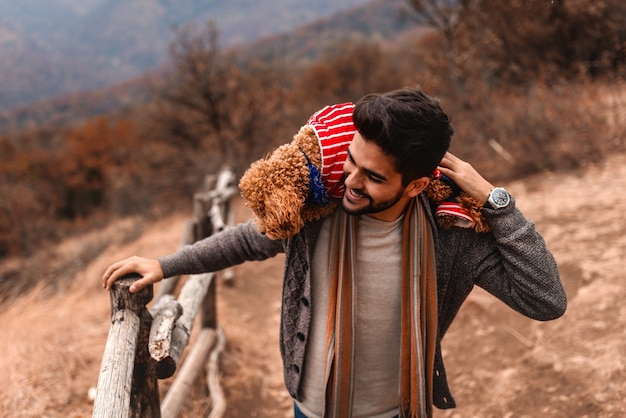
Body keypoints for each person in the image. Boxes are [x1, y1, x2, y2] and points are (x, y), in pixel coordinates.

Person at [102, 87, 567, 418]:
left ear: (418, 185)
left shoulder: (453, 237)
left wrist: (496, 201)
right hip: (310, 406)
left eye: (374, 176)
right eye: (351, 160)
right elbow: (247, 239)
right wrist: (166, 264)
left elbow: (546, 300)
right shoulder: (316, 213)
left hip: (399, 410)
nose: (350, 180)